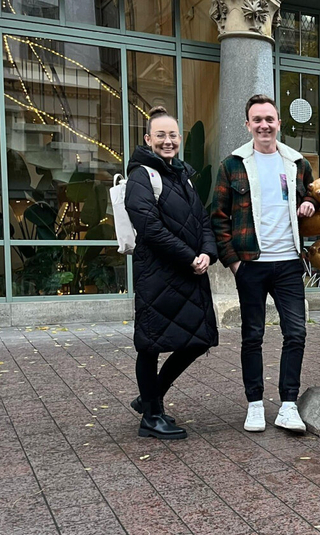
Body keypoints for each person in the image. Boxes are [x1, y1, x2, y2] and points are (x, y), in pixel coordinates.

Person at [210, 94, 318, 433]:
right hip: (251, 264)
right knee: (252, 335)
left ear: (278, 123)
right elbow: (218, 217)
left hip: (288, 263)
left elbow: (315, 191)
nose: (264, 125)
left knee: (296, 332)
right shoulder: (233, 164)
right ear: (248, 125)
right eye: (257, 120)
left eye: (269, 119)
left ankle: (288, 404)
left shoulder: (297, 162)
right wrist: (234, 264)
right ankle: (254, 404)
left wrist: (311, 203)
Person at [125, 106, 219, 440]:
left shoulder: (183, 175)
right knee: (150, 346)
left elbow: (202, 220)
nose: (168, 141)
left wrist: (208, 252)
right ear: (148, 139)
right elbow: (149, 228)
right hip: (158, 275)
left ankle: (150, 396)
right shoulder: (141, 176)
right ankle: (151, 416)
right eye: (161, 135)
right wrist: (190, 257)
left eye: (173, 135)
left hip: (189, 273)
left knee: (198, 340)